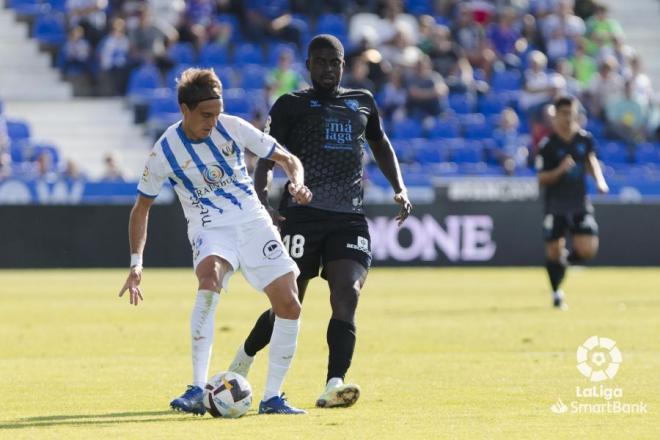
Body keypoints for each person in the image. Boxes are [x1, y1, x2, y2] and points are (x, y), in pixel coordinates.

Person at [228, 34, 412, 409]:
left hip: (348, 217)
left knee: (348, 294)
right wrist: (262, 200)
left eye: (335, 63)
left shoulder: (362, 102)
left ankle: (334, 383)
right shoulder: (290, 105)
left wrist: (400, 187)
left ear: (343, 66)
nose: (328, 69)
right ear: (308, 65)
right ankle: (241, 363)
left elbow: (380, 144)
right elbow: (266, 158)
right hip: (301, 216)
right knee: (289, 301)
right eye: (321, 62)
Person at [118, 67, 313, 415]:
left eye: (217, 113)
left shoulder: (232, 127)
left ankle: (272, 397)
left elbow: (287, 158)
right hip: (211, 229)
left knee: (290, 304)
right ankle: (196, 387)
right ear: (185, 109)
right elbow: (141, 207)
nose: (213, 121)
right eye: (206, 115)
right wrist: (136, 263)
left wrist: (296, 182)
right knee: (209, 281)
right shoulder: (164, 151)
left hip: (253, 222)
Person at [535, 96, 609, 310]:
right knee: (553, 252)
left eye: (572, 113)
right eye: (564, 113)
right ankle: (556, 292)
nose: (569, 118)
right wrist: (559, 170)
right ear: (555, 115)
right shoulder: (548, 145)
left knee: (588, 250)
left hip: (579, 203)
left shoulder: (584, 139)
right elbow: (541, 179)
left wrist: (600, 181)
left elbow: (590, 160)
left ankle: (564, 262)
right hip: (555, 205)